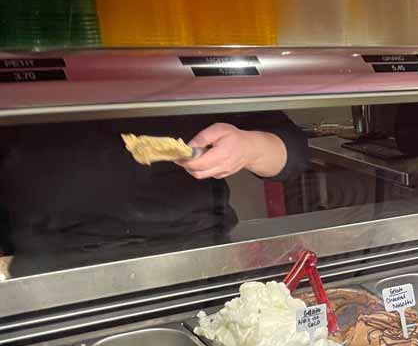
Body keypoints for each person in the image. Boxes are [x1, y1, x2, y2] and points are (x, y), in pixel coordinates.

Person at [0, 112, 309, 277]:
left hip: (193, 260)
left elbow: (292, 150)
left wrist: (249, 147)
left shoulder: (182, 53)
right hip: (49, 268)